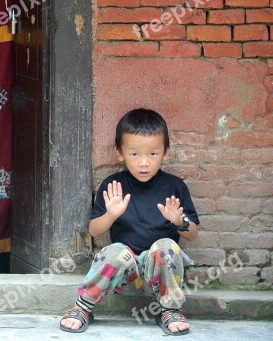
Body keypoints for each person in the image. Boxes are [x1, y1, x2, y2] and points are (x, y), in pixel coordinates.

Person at [60, 108, 199, 335]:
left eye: (153, 154)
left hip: (160, 278)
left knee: (166, 246)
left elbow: (193, 233)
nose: (143, 163)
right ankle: (83, 306)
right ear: (119, 152)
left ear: (166, 152)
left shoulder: (175, 187)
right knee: (116, 251)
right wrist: (111, 214)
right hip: (126, 278)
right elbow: (94, 231)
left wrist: (178, 221)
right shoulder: (113, 185)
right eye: (134, 154)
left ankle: (170, 310)